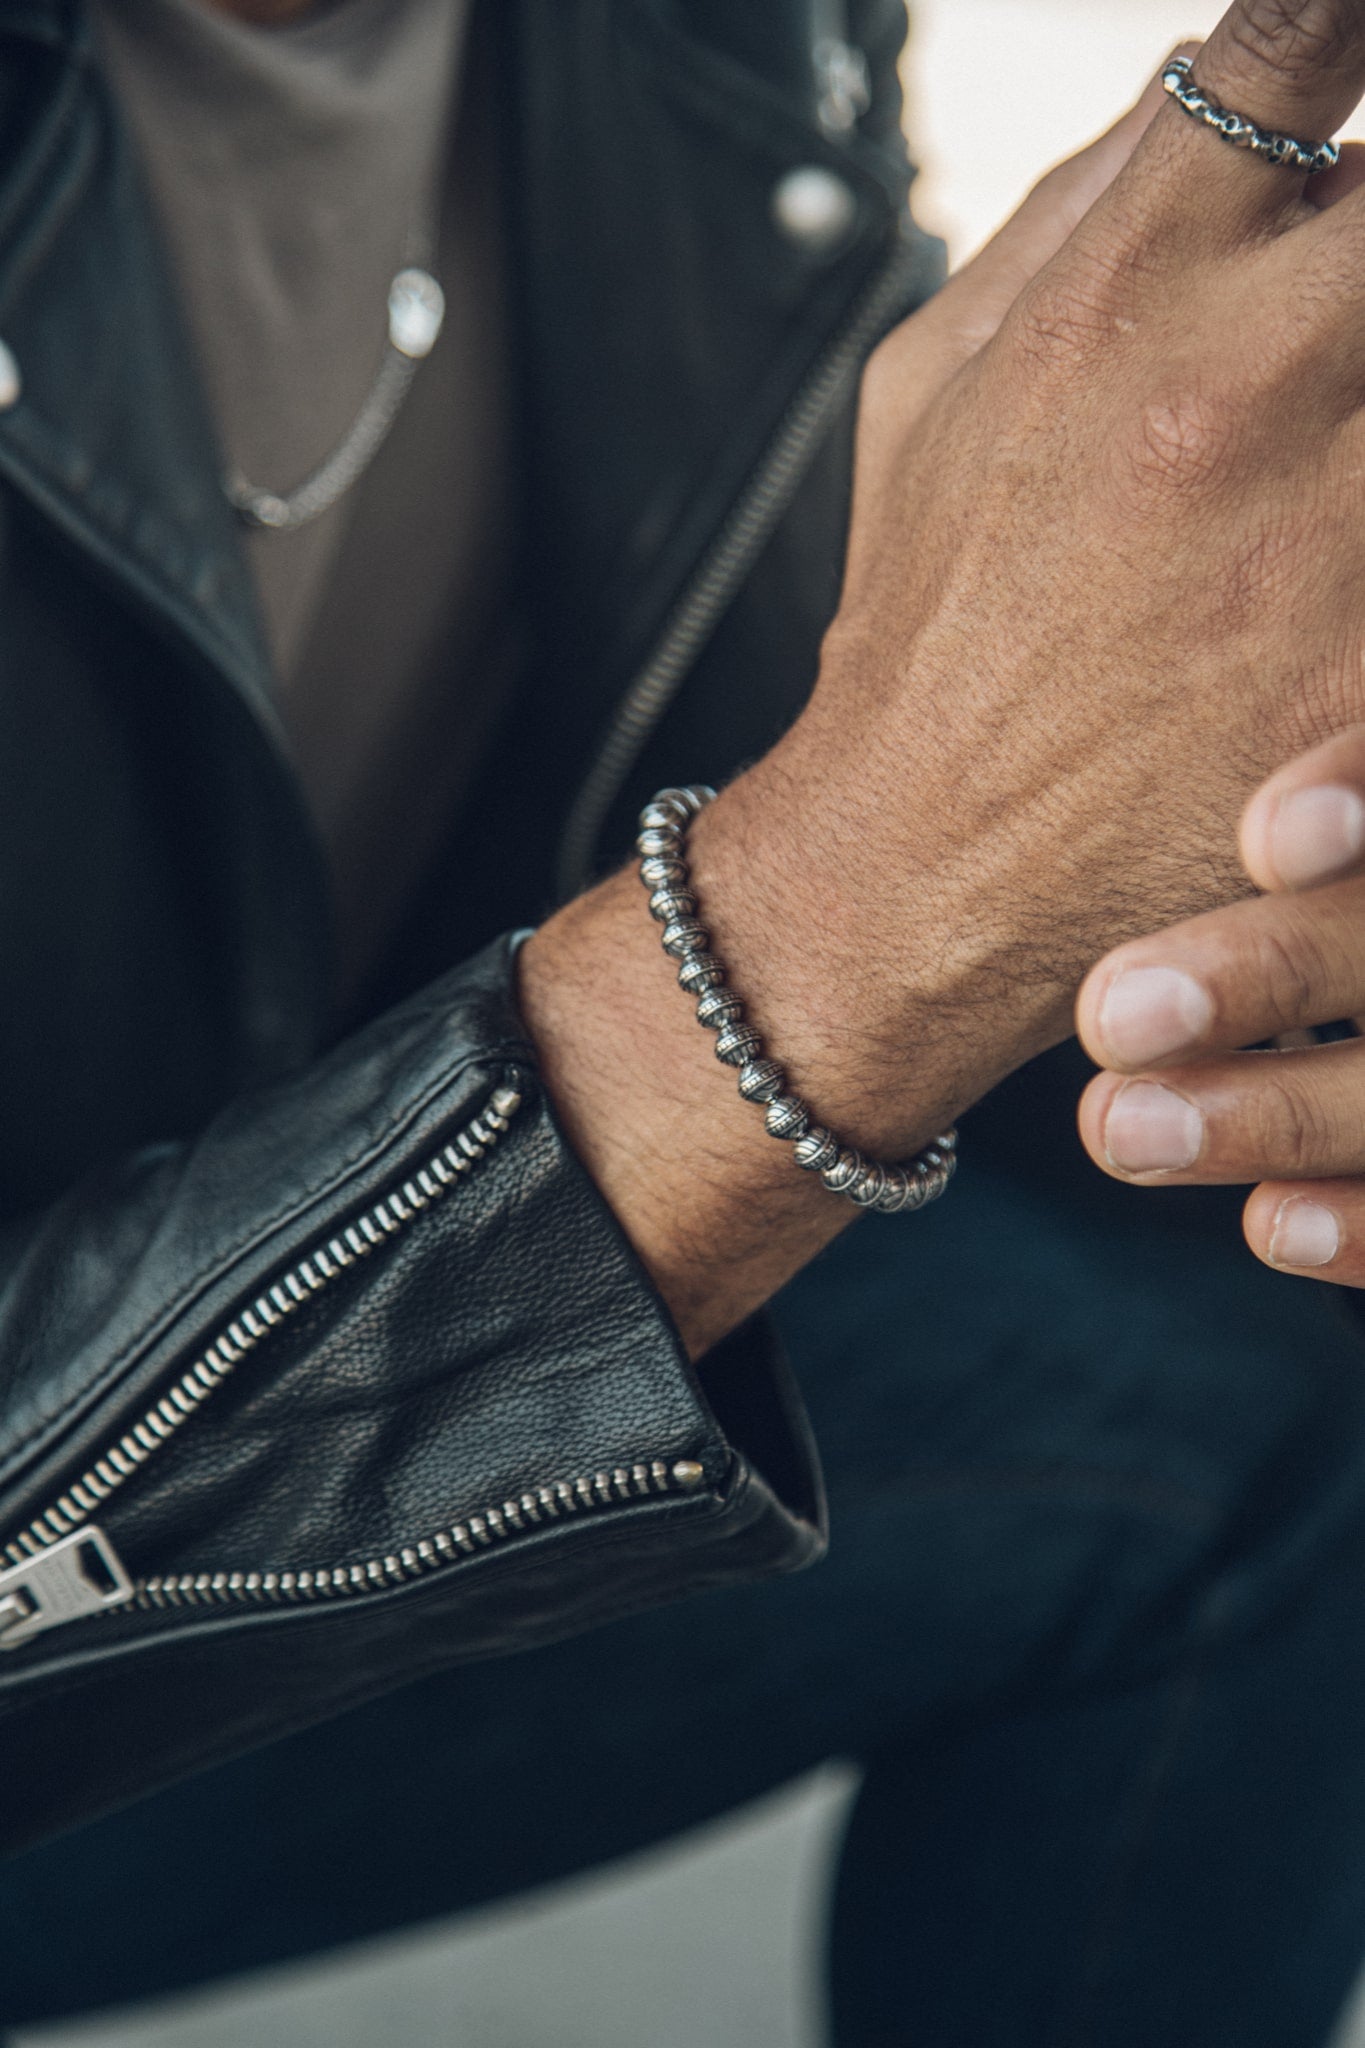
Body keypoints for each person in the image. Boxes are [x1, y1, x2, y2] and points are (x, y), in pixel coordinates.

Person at [7, 0, 1365, 2040]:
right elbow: (874, 855)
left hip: (356, 1410)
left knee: (1279, 1371)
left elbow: (859, 728)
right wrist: (824, 937)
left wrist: (1266, 894)